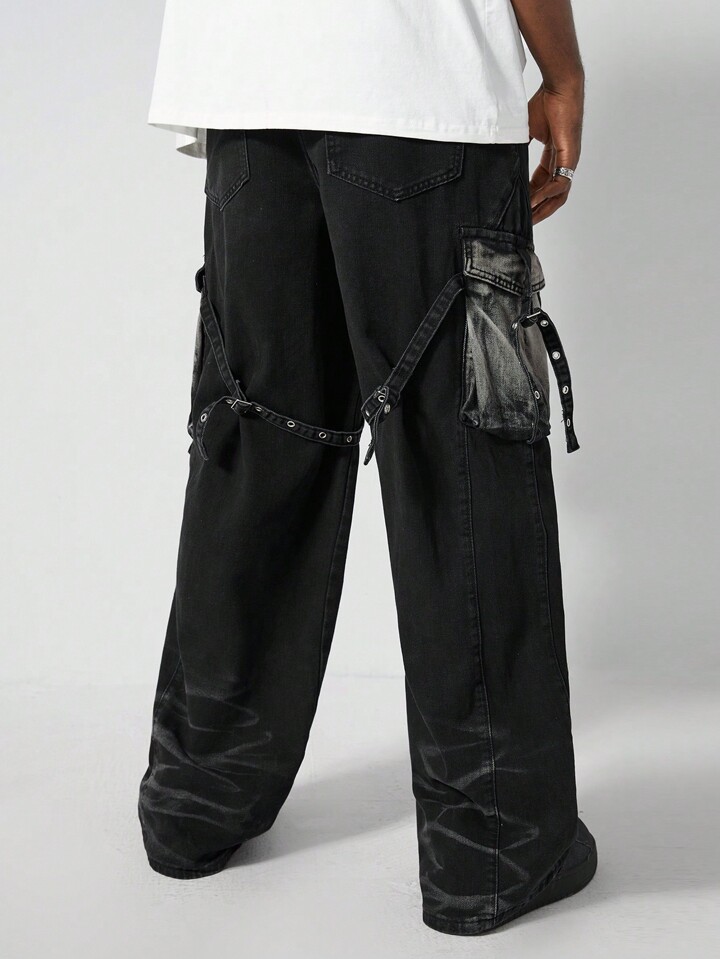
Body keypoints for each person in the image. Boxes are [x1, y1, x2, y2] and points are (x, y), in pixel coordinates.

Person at [137, 0, 596, 936]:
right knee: (460, 451)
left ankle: (197, 798)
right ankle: (494, 848)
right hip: (415, 71)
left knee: (256, 444)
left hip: (242, 75)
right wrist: (563, 72)